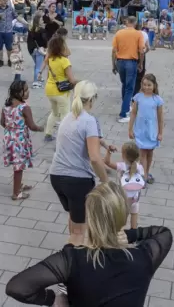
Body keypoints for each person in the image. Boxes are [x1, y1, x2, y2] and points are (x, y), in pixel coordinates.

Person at [6, 181, 172, 307]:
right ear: (124, 215)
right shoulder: (145, 257)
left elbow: (17, 287)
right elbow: (164, 233)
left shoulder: (72, 259)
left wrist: (53, 299)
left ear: (90, 219)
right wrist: (127, 235)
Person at [49, 81, 117, 246]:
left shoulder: (68, 117)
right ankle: (74, 263)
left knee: (74, 218)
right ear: (92, 99)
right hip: (77, 180)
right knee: (80, 232)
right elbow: (94, 158)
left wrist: (105, 144)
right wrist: (105, 181)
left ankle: (71, 251)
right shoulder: (89, 121)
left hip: (56, 176)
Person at [1, 80, 44, 201]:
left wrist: (11, 129)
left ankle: (19, 185)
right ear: (18, 93)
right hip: (19, 140)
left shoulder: (6, 106)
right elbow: (32, 126)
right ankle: (16, 193)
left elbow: (2, 123)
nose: (28, 91)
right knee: (18, 167)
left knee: (16, 163)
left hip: (9, 138)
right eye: (25, 90)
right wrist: (42, 128)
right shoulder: (24, 108)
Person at [128, 73, 164, 185]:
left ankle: (147, 172)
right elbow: (133, 113)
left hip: (152, 131)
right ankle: (143, 175)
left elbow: (160, 118)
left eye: (149, 85)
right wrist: (130, 129)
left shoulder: (157, 100)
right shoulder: (138, 97)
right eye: (144, 85)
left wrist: (160, 133)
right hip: (140, 130)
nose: (146, 87)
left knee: (149, 152)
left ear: (154, 85)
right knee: (142, 153)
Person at [103, 141, 145, 229]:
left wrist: (109, 151)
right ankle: (133, 235)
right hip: (135, 198)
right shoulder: (140, 167)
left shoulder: (121, 166)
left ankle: (120, 233)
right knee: (134, 215)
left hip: (122, 199)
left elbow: (106, 162)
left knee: (121, 218)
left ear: (123, 155)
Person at [112, 16, 145, 124]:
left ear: (126, 22)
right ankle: (123, 113)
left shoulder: (119, 33)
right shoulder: (138, 34)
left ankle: (125, 106)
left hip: (120, 61)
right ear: (135, 22)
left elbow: (114, 50)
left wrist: (113, 64)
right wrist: (140, 63)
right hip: (131, 62)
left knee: (124, 85)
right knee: (129, 88)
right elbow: (141, 51)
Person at [44, 35, 77, 142]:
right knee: (65, 115)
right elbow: (71, 80)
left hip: (50, 89)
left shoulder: (50, 59)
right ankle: (63, 138)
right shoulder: (64, 61)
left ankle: (48, 134)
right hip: (61, 92)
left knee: (54, 113)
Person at [27, 11, 47, 89]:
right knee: (39, 66)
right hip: (39, 50)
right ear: (38, 21)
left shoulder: (31, 29)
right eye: (41, 20)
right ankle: (35, 82)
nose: (43, 21)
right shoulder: (41, 30)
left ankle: (39, 78)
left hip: (32, 50)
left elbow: (29, 41)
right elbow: (44, 41)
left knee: (36, 65)